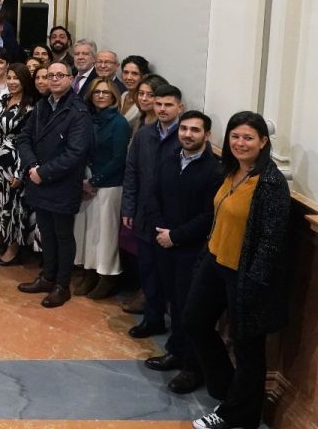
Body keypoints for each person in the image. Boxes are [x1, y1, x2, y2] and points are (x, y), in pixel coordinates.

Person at [185, 112, 289, 429]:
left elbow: (272, 241)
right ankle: (228, 391)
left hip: (245, 276)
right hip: (215, 262)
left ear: (263, 142)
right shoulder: (231, 170)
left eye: (248, 138)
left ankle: (237, 414)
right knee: (195, 321)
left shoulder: (270, 183)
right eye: (235, 136)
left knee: (248, 349)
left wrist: (254, 285)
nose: (240, 143)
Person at [147, 110, 223, 395]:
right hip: (164, 242)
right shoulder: (168, 158)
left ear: (207, 135)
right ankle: (176, 351)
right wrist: (159, 230)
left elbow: (208, 215)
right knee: (174, 303)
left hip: (191, 249)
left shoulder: (215, 170)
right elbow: (153, 193)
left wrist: (175, 236)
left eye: (195, 130)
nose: (188, 134)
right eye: (184, 129)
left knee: (190, 308)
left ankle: (193, 368)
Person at [16, 60, 94, 308]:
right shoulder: (41, 105)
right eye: (51, 75)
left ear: (71, 79)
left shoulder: (78, 111)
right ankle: (47, 277)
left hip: (61, 183)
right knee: (45, 233)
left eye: (60, 75)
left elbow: (76, 153)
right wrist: (31, 167)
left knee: (62, 235)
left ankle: (62, 285)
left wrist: (44, 173)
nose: (55, 79)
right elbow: (24, 137)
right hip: (38, 179)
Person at [122, 83, 184, 339]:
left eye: (168, 105)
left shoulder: (186, 135)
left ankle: (179, 334)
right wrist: (128, 206)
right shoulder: (144, 135)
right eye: (158, 104)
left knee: (173, 278)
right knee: (147, 270)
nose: (162, 109)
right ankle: (153, 318)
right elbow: (132, 172)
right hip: (145, 214)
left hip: (173, 220)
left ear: (180, 107)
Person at [72, 78, 130, 300]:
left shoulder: (120, 123)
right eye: (97, 92)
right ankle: (89, 271)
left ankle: (108, 276)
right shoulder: (89, 119)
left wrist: (95, 181)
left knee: (105, 234)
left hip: (109, 185)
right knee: (87, 231)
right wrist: (84, 180)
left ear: (114, 96)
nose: (101, 96)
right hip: (87, 181)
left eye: (106, 92)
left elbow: (118, 158)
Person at [0, 63, 37, 265]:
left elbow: (27, 140)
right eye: (10, 78)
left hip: (15, 160)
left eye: (17, 78)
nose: (13, 82)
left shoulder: (30, 106)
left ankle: (13, 248)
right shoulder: (4, 99)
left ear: (25, 81)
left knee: (12, 205)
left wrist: (19, 170)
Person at [118, 55, 152, 127]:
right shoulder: (123, 95)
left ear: (144, 77)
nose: (128, 77)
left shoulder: (144, 102)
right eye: (126, 72)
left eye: (134, 73)